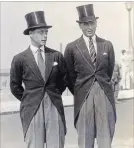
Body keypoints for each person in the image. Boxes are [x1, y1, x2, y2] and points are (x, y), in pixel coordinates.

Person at [10, 11, 67, 148]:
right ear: (30, 33)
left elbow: (63, 81)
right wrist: (29, 98)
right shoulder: (20, 59)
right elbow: (14, 86)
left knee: (56, 144)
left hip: (54, 106)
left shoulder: (56, 56)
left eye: (46, 32)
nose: (45, 35)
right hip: (32, 108)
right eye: (41, 32)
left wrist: (53, 94)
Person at [64, 4, 116, 148]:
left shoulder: (107, 45)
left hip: (104, 94)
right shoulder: (71, 47)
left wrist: (100, 86)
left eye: (92, 23)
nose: (89, 27)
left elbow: (109, 71)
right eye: (85, 24)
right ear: (80, 25)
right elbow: (69, 76)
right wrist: (81, 90)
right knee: (85, 139)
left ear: (96, 23)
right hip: (83, 96)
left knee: (105, 138)